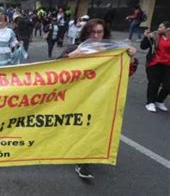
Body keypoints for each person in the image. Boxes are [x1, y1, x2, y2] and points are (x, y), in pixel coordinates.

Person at [60, 19, 138, 179]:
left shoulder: (115, 52)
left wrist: (131, 58)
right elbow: (52, 71)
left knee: (93, 128)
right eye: (92, 32)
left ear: (105, 33)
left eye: (99, 32)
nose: (95, 35)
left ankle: (84, 162)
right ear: (85, 33)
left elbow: (126, 73)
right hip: (77, 97)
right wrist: (69, 57)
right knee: (78, 126)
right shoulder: (75, 48)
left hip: (101, 98)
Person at [140, 21, 170, 113]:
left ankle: (159, 101)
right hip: (154, 63)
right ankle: (150, 102)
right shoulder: (154, 36)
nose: (158, 29)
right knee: (154, 83)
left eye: (161, 27)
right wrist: (145, 37)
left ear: (168, 29)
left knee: (168, 86)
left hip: (168, 65)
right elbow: (143, 47)